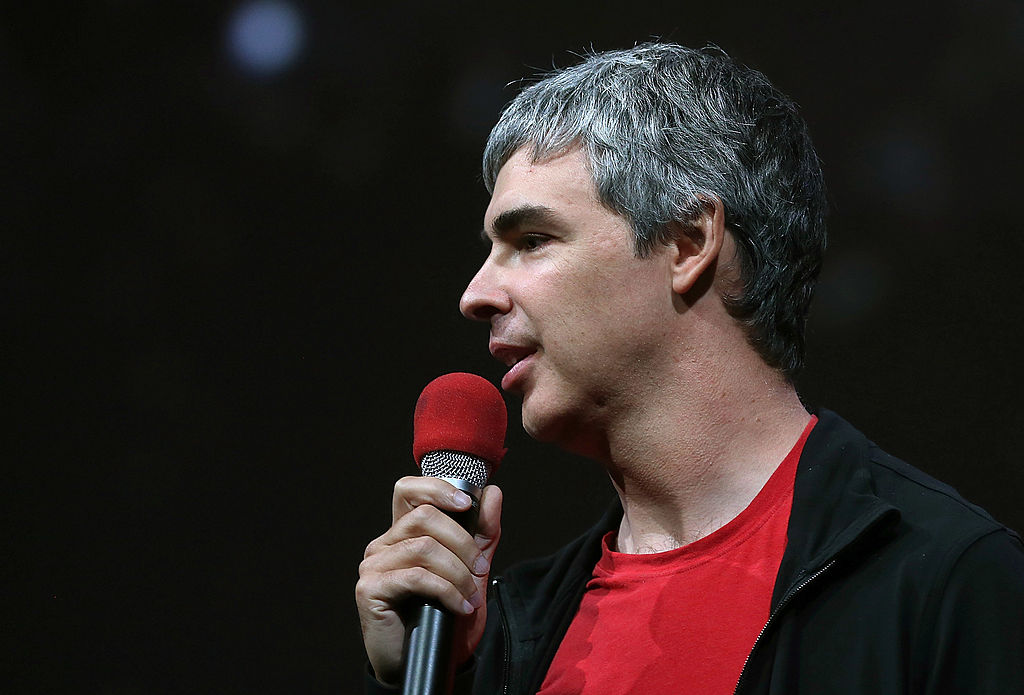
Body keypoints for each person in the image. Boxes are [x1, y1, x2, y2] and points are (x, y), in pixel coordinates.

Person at [355, 43, 1024, 694]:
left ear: (689, 242)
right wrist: (429, 676)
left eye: (532, 240)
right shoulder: (497, 639)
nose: (475, 295)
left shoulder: (949, 581)